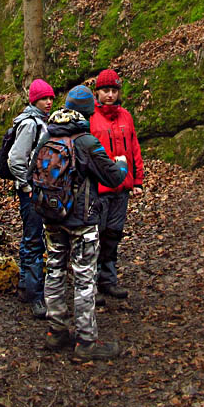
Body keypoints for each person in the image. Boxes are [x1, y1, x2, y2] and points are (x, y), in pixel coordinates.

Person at [40, 85, 128, 360]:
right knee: (83, 277)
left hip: (51, 217)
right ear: (89, 112)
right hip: (82, 220)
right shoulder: (86, 141)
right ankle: (86, 341)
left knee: (54, 271)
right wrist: (122, 166)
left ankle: (56, 332)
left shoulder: (47, 135)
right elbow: (113, 178)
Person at [89, 68, 144, 302]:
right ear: (97, 92)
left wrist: (138, 180)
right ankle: (90, 283)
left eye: (113, 90)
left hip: (122, 187)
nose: (110, 95)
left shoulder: (126, 116)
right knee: (95, 235)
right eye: (105, 90)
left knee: (113, 235)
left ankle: (108, 279)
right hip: (99, 188)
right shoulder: (90, 117)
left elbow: (134, 149)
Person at [7, 78, 54, 319]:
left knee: (30, 238)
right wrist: (26, 186)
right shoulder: (31, 124)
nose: (48, 102)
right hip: (31, 191)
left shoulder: (39, 122)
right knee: (35, 241)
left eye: (50, 98)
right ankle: (36, 296)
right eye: (44, 98)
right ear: (34, 100)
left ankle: (26, 287)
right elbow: (15, 158)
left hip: (36, 189)